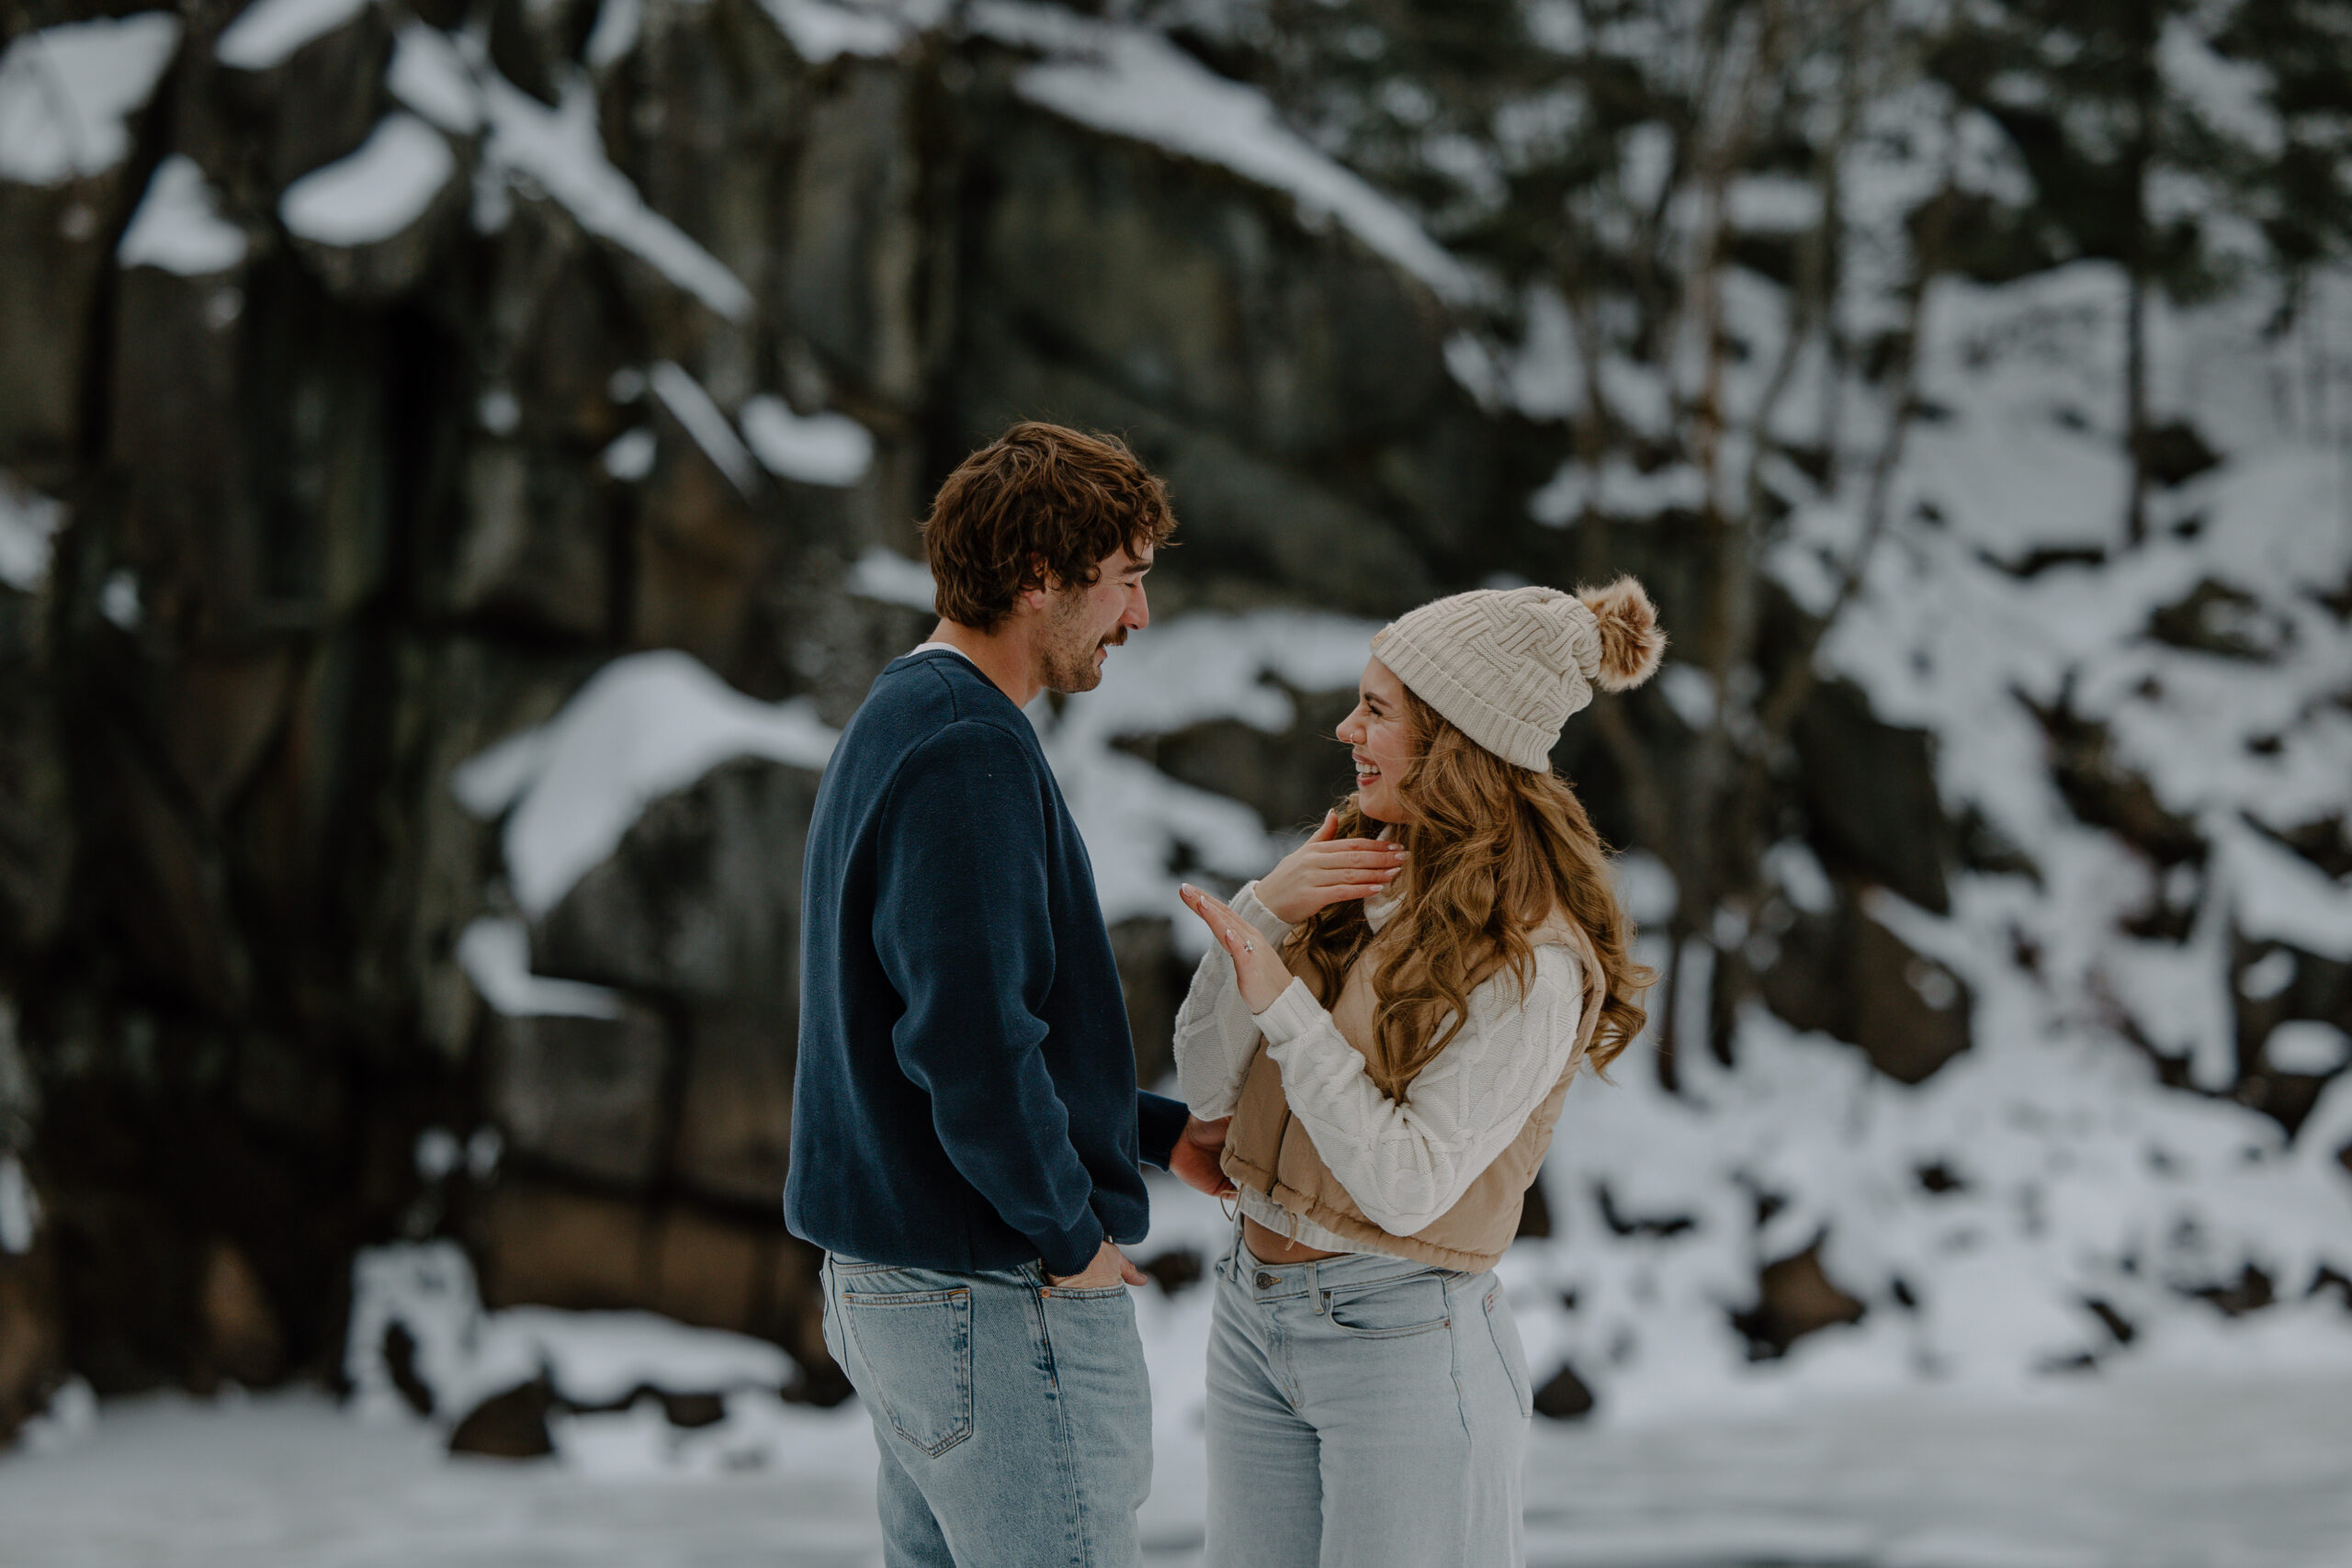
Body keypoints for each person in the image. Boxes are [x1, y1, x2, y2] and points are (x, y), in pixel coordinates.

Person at [786, 422, 1232, 1568]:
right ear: (1041, 578)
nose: (1138, 617)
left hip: (906, 1288)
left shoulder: (907, 717)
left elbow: (930, 1018)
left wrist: (1150, 1134)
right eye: (1125, 580)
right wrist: (1067, 1236)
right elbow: (969, 1041)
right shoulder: (967, 753)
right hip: (986, 1293)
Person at [1172, 580, 1667, 1568]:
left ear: (1458, 737)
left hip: (1401, 1341)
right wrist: (1266, 909)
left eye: (1379, 710)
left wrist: (1281, 1000)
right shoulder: (1351, 871)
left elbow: (1404, 1187)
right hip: (1252, 1316)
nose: (1346, 728)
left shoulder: (1535, 959)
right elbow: (1204, 1087)